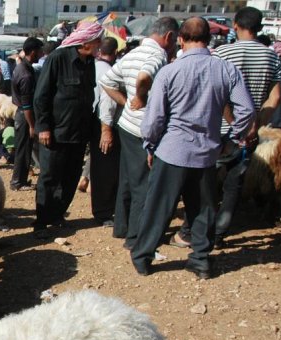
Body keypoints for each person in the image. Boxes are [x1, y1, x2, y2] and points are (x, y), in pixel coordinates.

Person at [130, 18, 255, 279]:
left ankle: (143, 258)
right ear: (208, 39)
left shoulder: (169, 71)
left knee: (157, 208)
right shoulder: (226, 70)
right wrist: (231, 139)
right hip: (207, 153)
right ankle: (200, 260)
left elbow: (153, 120)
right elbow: (247, 110)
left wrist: (150, 144)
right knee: (202, 210)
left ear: (180, 39)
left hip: (172, 151)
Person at [99, 17, 179, 249]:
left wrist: (125, 103)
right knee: (143, 183)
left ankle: (122, 227)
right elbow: (144, 77)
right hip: (144, 128)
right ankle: (135, 237)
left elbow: (107, 82)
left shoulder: (132, 54)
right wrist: (140, 97)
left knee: (127, 179)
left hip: (126, 125)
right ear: (168, 37)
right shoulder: (157, 56)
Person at [210, 7, 281, 248]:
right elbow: (275, 98)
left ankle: (201, 229)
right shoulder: (271, 56)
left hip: (219, 129)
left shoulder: (222, 52)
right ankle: (220, 233)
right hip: (249, 134)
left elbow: (216, 95)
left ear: (235, 25)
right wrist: (255, 124)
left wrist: (235, 123)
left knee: (209, 180)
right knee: (234, 182)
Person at [32, 22, 104, 235]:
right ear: (86, 42)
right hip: (56, 132)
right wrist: (43, 127)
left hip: (79, 132)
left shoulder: (89, 61)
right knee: (50, 176)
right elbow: (41, 96)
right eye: (97, 40)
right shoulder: (58, 58)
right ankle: (42, 222)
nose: (100, 44)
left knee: (71, 177)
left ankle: (57, 215)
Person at [90, 36, 121, 227]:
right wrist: (106, 130)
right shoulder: (110, 72)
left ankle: (103, 208)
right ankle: (104, 211)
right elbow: (107, 102)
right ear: (115, 52)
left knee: (99, 167)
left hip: (94, 120)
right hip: (105, 123)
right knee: (106, 168)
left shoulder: (91, 66)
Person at [10, 37, 44, 191]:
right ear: (33, 51)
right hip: (25, 116)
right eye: (40, 50)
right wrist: (32, 125)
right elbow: (27, 105)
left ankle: (21, 179)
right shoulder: (26, 75)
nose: (42, 53)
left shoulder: (22, 67)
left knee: (25, 148)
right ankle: (18, 182)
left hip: (22, 113)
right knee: (23, 150)